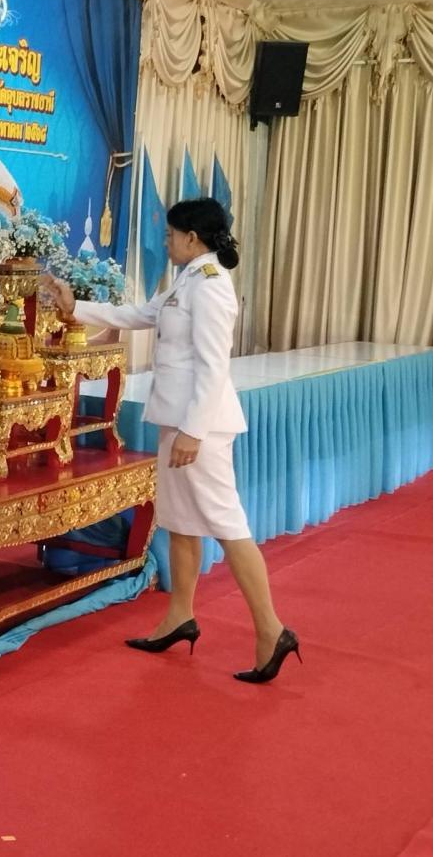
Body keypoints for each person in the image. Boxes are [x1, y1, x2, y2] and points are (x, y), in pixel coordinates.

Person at [43, 198, 301, 684]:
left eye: (169, 234)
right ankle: (180, 615)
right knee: (181, 522)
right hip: (178, 423)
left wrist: (194, 432)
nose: (165, 242)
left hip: (199, 428)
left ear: (192, 238)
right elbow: (141, 314)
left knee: (227, 524)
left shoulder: (211, 286)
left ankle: (272, 630)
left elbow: (213, 366)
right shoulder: (187, 280)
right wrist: (76, 307)